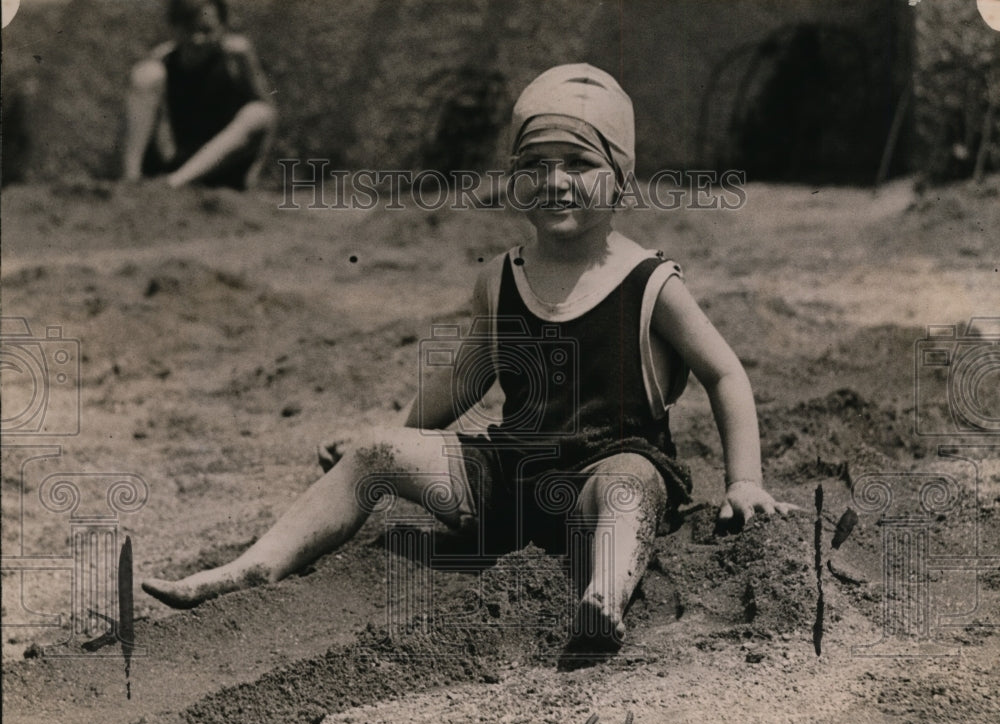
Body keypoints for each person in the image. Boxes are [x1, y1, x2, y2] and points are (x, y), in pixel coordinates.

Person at [142, 63, 796, 653]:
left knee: (628, 487)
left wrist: (744, 479)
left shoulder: (650, 283)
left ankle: (606, 595)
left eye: (578, 162)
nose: (555, 182)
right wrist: (399, 433)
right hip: (509, 480)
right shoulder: (501, 279)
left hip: (609, 468)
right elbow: (461, 380)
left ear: (621, 180)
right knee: (372, 450)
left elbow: (724, 372)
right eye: (535, 165)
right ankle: (260, 562)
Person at [121, 0, 276, 189]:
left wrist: (248, 63)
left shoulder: (235, 60)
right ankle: (130, 181)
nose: (197, 39)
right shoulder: (164, 61)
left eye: (206, 30)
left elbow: (267, 117)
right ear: (174, 27)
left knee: (259, 112)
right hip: (174, 156)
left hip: (219, 164)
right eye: (189, 29)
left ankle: (174, 183)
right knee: (146, 74)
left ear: (223, 28)